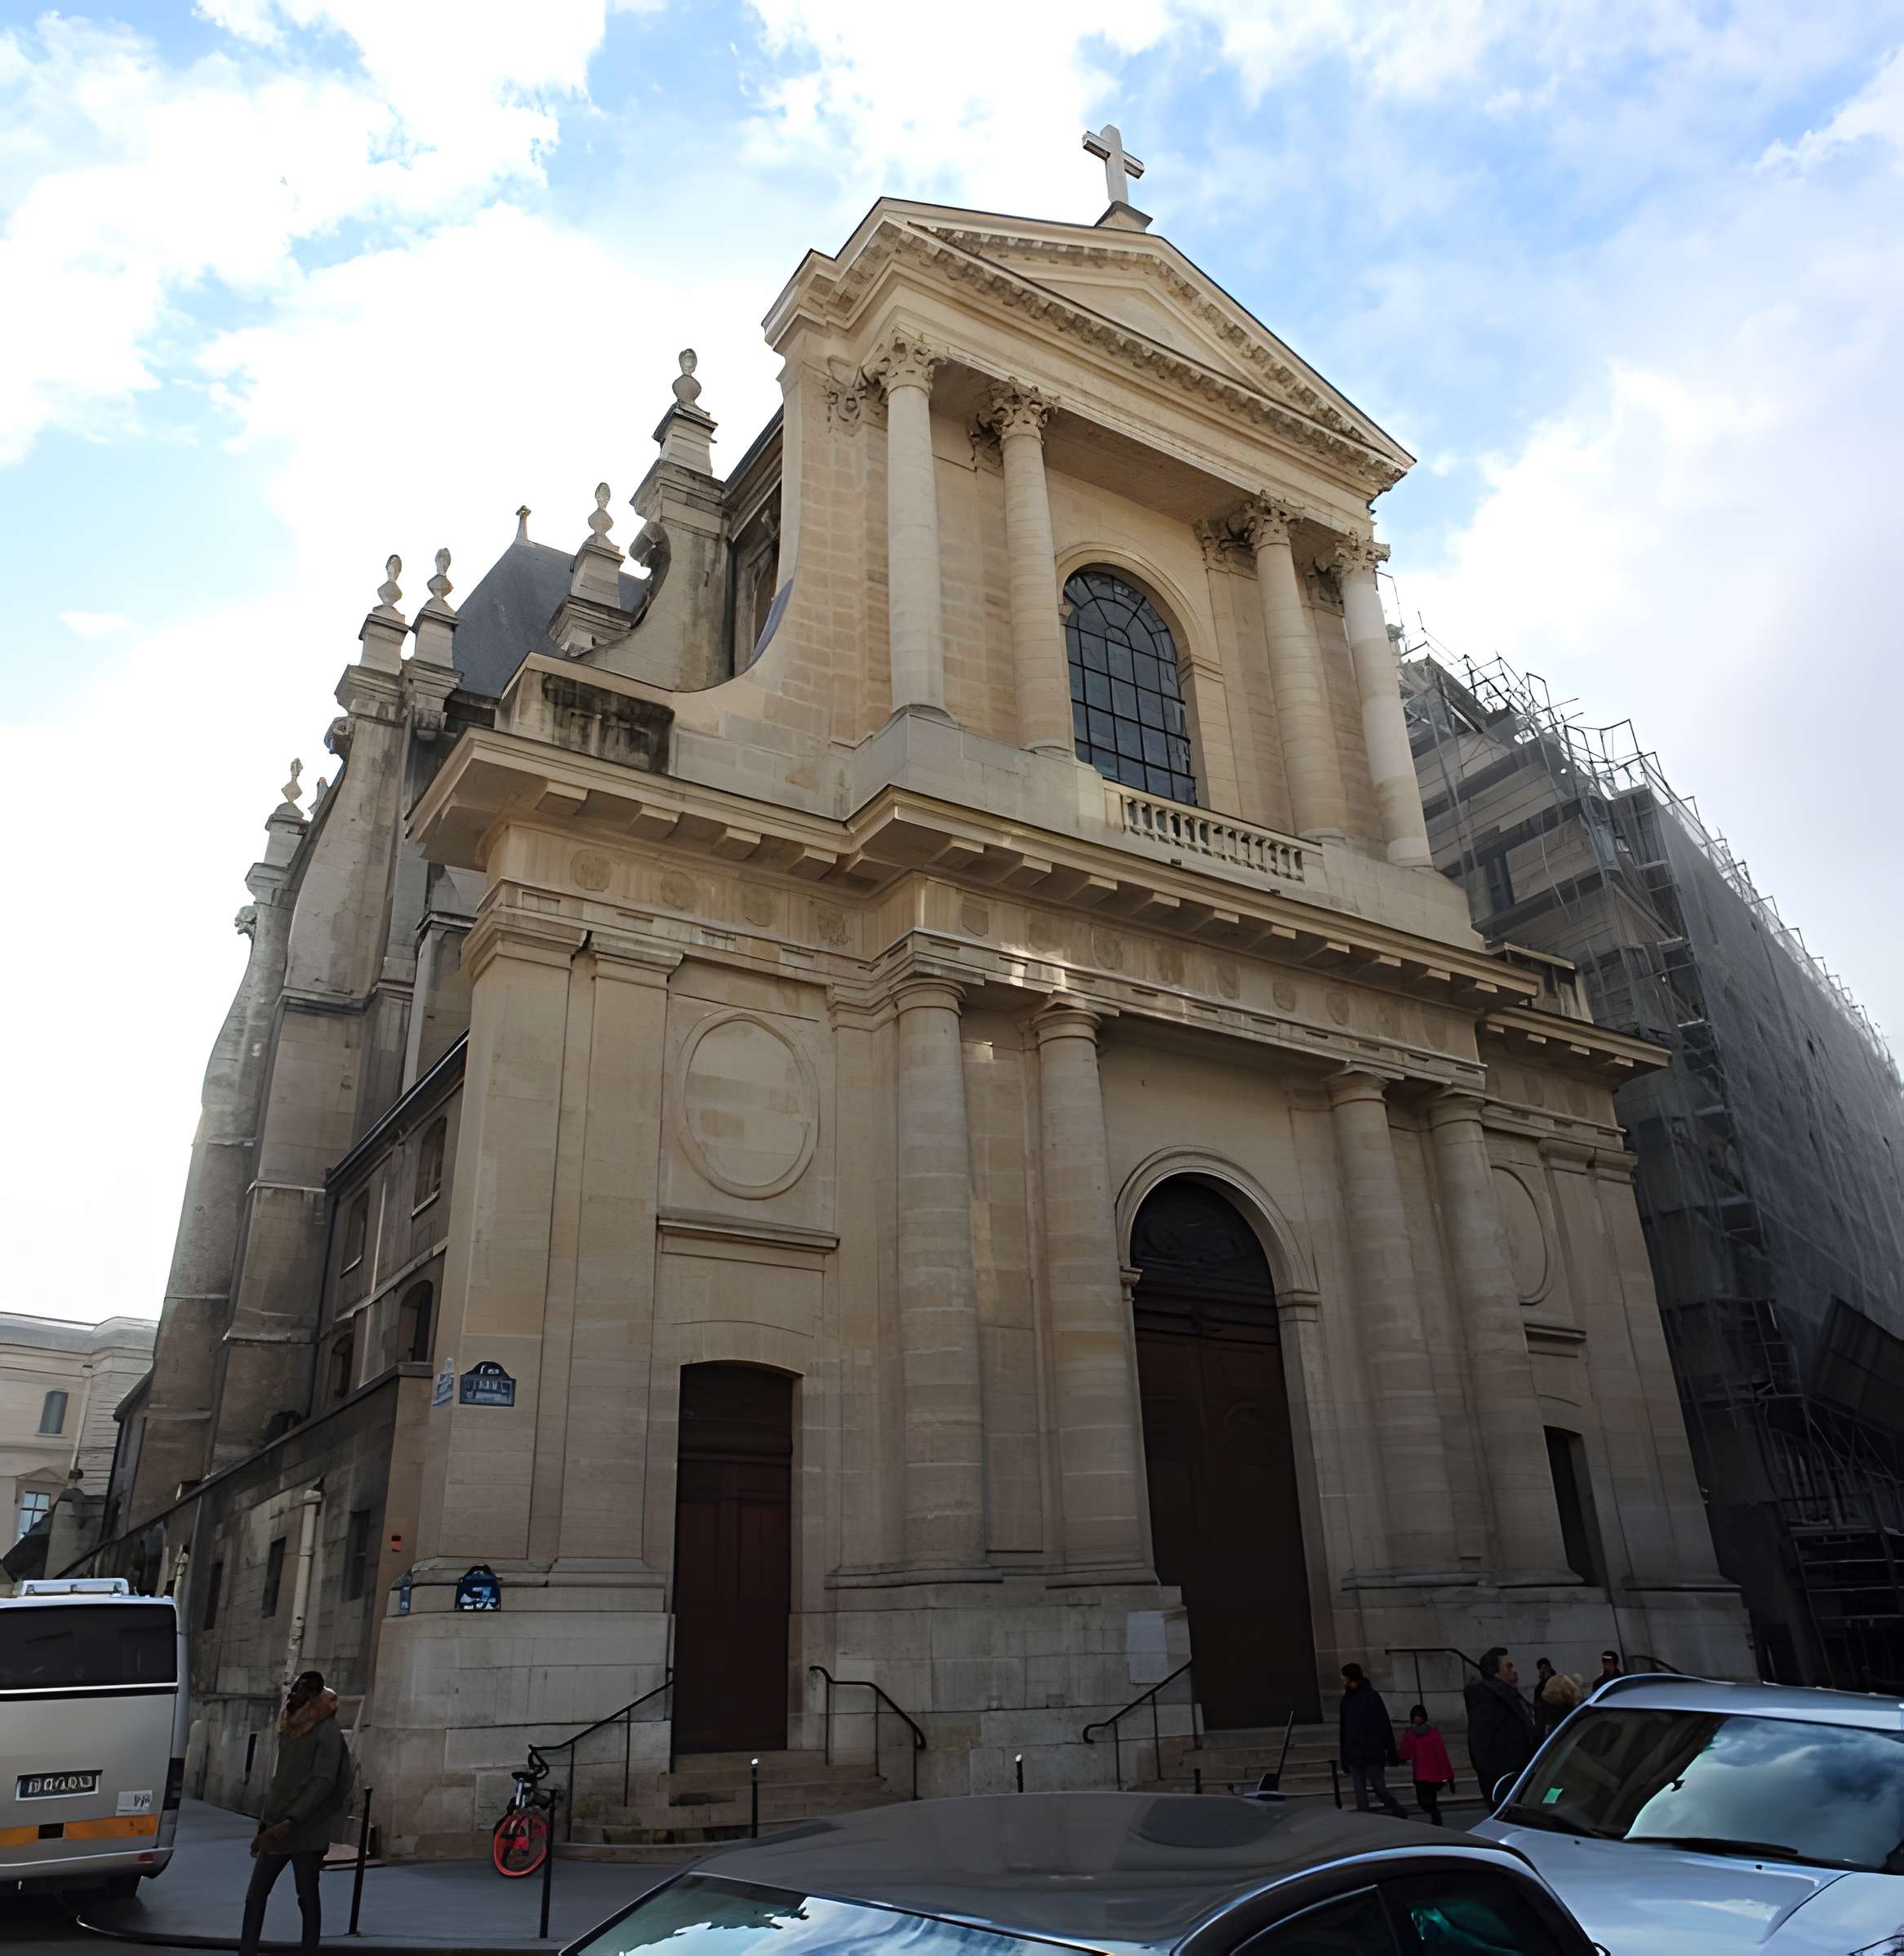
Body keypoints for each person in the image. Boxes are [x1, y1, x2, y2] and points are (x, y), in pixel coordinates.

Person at [239, 1669, 350, 1956]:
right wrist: (266, 1823)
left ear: (312, 1696)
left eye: (298, 1690)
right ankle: (247, 1950)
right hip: (277, 1825)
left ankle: (309, 1950)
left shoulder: (328, 1731)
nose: (292, 1694)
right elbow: (282, 1778)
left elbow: (324, 1780)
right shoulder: (291, 1724)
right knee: (256, 1895)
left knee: (307, 1896)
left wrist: (293, 1819)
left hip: (306, 1829)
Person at [1463, 1647, 1537, 1808]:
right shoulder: (1487, 1700)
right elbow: (1480, 1747)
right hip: (1506, 1786)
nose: (1514, 1671)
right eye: (1509, 1667)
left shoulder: (1510, 1697)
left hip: (1521, 1781)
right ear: (1496, 1672)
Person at [1337, 1663, 1407, 1818]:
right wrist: (1344, 1756)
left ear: (1350, 1678)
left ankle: (1398, 1811)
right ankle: (1366, 1821)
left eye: (1344, 1677)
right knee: (1360, 1793)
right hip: (1353, 1753)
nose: (1342, 1680)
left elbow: (1384, 1724)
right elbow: (1344, 1729)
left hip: (1372, 1752)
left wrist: (1391, 1751)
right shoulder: (1346, 1700)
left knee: (1380, 1788)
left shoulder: (1372, 1697)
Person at [1397, 1704, 1455, 1826]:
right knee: (1424, 1801)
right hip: (1421, 1773)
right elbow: (1406, 1753)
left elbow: (1441, 1754)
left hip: (1432, 1773)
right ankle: (1435, 1817)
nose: (1417, 1718)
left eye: (1419, 1716)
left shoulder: (1432, 1732)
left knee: (1430, 1801)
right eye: (1415, 1716)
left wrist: (1449, 1777)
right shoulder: (1411, 1733)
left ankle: (1436, 1819)